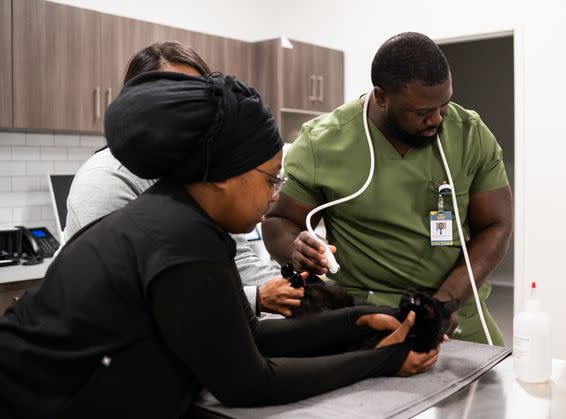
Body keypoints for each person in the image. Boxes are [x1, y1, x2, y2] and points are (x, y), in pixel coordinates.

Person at [0, 72, 441, 419]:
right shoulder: (179, 237)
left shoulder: (179, 218)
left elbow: (245, 337)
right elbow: (248, 381)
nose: (275, 196)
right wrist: (382, 362)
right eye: (271, 179)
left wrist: (359, 321)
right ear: (224, 178)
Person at [262, 32, 513, 345]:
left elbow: (496, 225)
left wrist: (445, 301)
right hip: (364, 315)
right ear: (381, 97)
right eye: (422, 112)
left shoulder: (469, 134)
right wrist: (295, 248)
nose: (436, 119)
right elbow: (278, 221)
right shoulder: (323, 142)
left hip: (455, 308)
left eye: (444, 105)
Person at [64, 41, 301, 317]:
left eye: (201, 96)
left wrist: (289, 288)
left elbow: (238, 258)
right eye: (179, 95)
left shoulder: (200, 175)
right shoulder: (105, 179)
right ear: (137, 101)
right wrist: (256, 298)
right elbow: (129, 293)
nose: (195, 109)